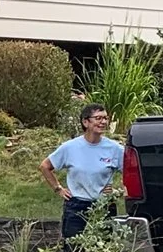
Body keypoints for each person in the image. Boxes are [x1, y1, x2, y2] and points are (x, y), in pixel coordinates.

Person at [42, 104, 124, 243]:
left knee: (103, 248)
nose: (103, 122)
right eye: (98, 118)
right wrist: (58, 188)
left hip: (104, 205)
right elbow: (45, 166)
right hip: (76, 206)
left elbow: (130, 172)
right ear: (85, 122)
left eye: (105, 118)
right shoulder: (70, 147)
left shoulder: (115, 149)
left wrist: (119, 191)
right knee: (73, 247)